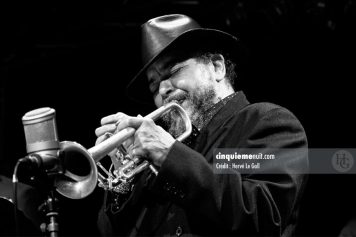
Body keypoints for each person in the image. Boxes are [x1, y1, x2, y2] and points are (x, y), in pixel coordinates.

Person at [94, 14, 308, 236]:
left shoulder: (266, 121)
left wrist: (169, 155)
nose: (163, 90)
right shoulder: (156, 157)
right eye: (153, 85)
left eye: (174, 71)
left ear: (217, 67)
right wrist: (123, 183)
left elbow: (263, 216)